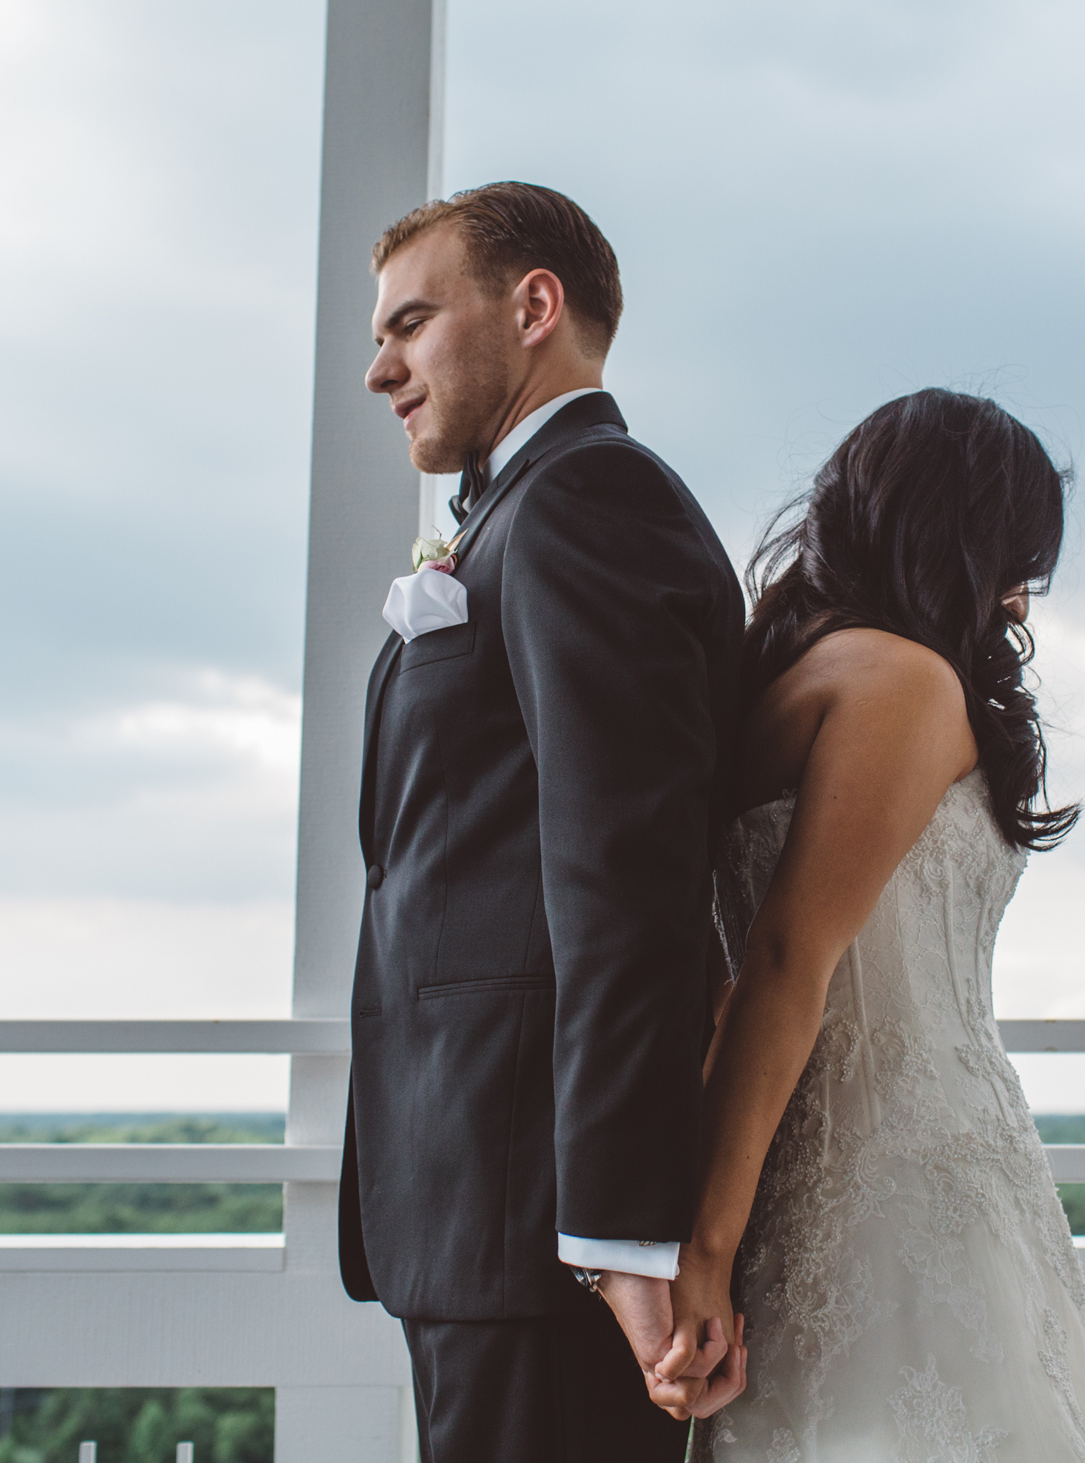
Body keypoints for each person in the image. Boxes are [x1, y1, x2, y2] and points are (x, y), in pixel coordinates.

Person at [340, 181, 748, 1460]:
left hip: (540, 1229)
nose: (378, 369)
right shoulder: (517, 513)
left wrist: (619, 1235)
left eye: (409, 324)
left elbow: (623, 879)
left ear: (532, 307)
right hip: (477, 1214)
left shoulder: (588, 502)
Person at [673, 389, 1085, 1459]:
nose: (1021, 600)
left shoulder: (796, 665)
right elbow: (788, 958)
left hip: (877, 1166)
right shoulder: (899, 679)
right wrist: (706, 1244)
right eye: (1016, 557)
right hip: (897, 1186)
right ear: (959, 536)